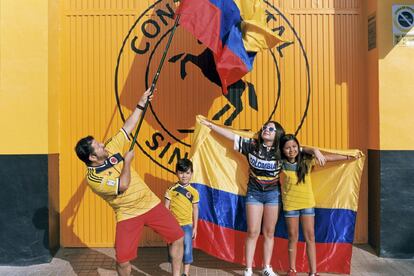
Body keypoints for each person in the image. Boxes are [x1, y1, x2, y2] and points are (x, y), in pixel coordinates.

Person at [74, 89, 184, 276]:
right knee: (123, 260)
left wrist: (142, 102)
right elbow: (122, 185)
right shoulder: (93, 179)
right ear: (93, 157)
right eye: (98, 146)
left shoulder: (110, 147)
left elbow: (128, 126)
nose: (103, 144)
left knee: (178, 237)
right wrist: (127, 162)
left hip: (150, 203)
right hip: (128, 214)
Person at [200, 119, 326, 276]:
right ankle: (248, 269)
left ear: (277, 134)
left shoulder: (282, 150)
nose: (266, 129)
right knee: (252, 231)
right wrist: (211, 126)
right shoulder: (252, 145)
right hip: (254, 193)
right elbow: (232, 136)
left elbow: (299, 148)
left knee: (269, 232)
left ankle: (267, 267)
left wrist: (315, 150)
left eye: (271, 129)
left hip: (273, 194)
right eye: (265, 127)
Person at [279, 134, 359, 276]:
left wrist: (349, 157)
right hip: (290, 205)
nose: (291, 150)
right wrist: (313, 149)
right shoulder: (280, 163)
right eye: (287, 148)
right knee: (293, 237)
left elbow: (327, 158)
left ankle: (313, 272)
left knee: (310, 237)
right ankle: (292, 270)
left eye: (294, 146)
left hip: (307, 204)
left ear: (299, 147)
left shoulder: (306, 161)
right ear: (282, 150)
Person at [165, 158, 199, 276]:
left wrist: (195, 227)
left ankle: (186, 273)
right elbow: (166, 209)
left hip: (187, 225)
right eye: (181, 172)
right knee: (174, 250)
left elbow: (195, 209)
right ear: (176, 173)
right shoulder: (171, 190)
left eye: (187, 173)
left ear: (191, 174)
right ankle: (176, 273)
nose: (184, 176)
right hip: (173, 226)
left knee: (187, 248)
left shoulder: (194, 192)